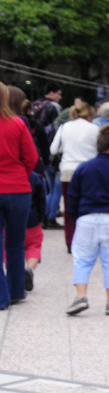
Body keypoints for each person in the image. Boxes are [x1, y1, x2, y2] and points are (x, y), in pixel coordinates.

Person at [64, 125, 109, 316]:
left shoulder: (84, 168)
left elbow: (72, 196)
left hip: (86, 219)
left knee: (82, 259)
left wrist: (76, 217)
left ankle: (81, 296)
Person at [0, 82, 38, 310]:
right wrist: (19, 176)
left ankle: (1, 297)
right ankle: (16, 291)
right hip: (18, 190)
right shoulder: (17, 124)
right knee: (16, 244)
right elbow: (32, 157)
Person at [50, 101, 99, 251]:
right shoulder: (94, 129)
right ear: (89, 115)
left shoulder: (65, 127)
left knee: (69, 209)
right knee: (87, 208)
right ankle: (87, 244)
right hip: (88, 172)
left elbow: (53, 150)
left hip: (68, 171)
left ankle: (70, 243)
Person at [30, 82, 62, 228]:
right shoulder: (54, 107)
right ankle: (50, 216)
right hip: (50, 153)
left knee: (47, 186)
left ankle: (43, 215)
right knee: (56, 187)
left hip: (36, 151)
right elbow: (56, 129)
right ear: (52, 92)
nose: (60, 97)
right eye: (59, 94)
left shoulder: (35, 104)